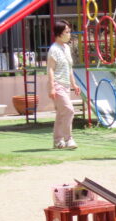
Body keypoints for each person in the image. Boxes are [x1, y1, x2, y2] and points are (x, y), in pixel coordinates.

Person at [47, 20, 81, 149]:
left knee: (62, 113)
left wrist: (74, 84)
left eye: (69, 31)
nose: (69, 34)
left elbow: (69, 67)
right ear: (59, 33)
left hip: (66, 85)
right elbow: (50, 69)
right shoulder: (53, 50)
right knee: (68, 110)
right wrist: (51, 87)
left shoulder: (66, 48)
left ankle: (57, 140)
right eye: (66, 32)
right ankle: (69, 139)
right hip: (57, 84)